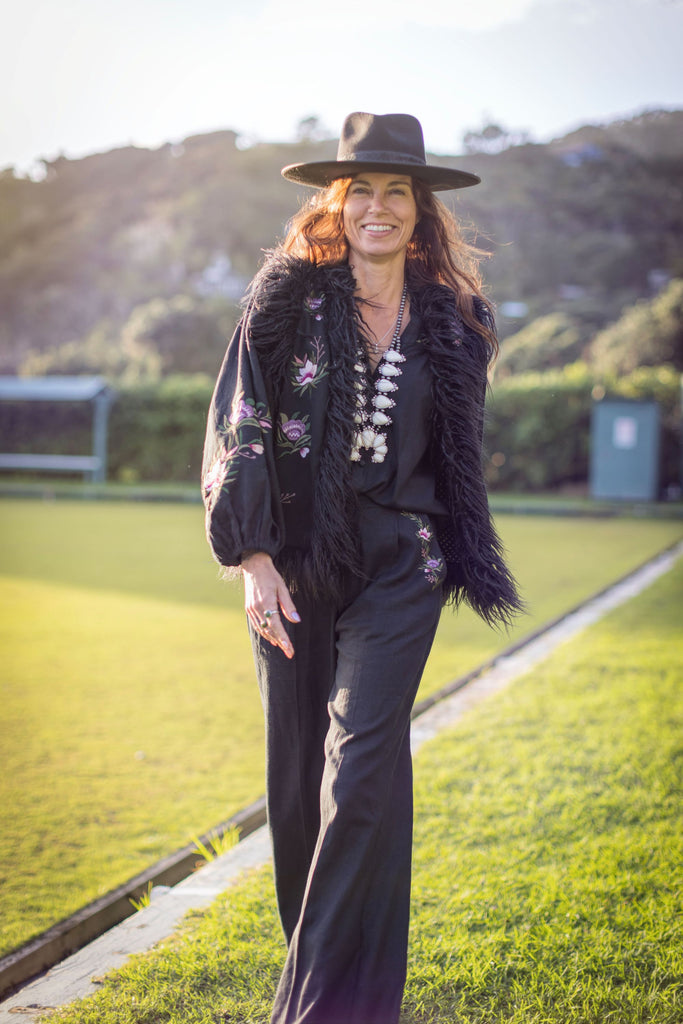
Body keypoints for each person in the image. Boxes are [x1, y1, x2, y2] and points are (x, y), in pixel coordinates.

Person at [202, 111, 522, 1024]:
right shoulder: (282, 303)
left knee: (362, 767)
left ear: (422, 213)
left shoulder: (460, 320)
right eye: (361, 191)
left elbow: (452, 450)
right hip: (293, 561)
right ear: (335, 205)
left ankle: (308, 1013)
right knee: (301, 782)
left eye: (398, 193)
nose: (379, 208)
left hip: (402, 564)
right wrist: (253, 556)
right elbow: (240, 422)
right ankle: (355, 1000)